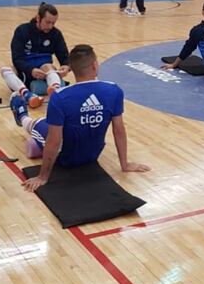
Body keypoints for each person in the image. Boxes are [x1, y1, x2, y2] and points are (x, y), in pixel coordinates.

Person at [12, 44, 150, 191]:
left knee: (40, 123)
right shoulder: (114, 90)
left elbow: (54, 141)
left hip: (64, 159)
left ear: (73, 70)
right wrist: (125, 164)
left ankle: (22, 117)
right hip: (92, 156)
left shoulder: (60, 97)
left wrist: (43, 177)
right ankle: (31, 131)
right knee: (56, 124)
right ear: (95, 66)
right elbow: (119, 130)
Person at [0, 2, 70, 109]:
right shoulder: (22, 30)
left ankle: (55, 92)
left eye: (53, 23)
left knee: (48, 66)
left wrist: (66, 66)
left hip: (45, 73)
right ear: (38, 18)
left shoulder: (56, 34)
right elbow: (17, 58)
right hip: (25, 71)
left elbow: (64, 55)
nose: (50, 26)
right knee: (5, 70)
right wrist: (31, 70)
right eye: (47, 22)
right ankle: (27, 95)